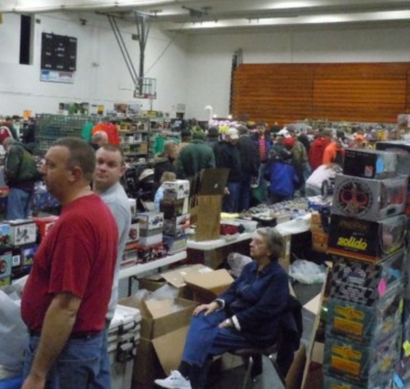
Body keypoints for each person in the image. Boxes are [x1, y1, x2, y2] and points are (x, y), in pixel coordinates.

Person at [20, 137, 118, 389]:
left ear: (74, 174)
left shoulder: (76, 223)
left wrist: (38, 373)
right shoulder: (94, 209)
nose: (42, 170)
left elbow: (66, 306)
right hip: (79, 346)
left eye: (51, 165)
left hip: (65, 354)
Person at [155, 227, 290, 389]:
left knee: (204, 341)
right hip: (234, 314)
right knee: (201, 315)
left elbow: (265, 311)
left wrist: (232, 321)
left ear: (269, 251)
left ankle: (185, 378)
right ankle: (184, 379)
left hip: (255, 330)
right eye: (252, 240)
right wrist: (215, 304)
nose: (251, 244)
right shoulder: (250, 268)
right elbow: (233, 290)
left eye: (257, 242)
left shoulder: (278, 277)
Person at [92, 144, 132, 387]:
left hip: (97, 298)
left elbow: (97, 255)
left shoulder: (113, 204)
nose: (103, 168)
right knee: (98, 368)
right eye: (99, 162)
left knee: (93, 369)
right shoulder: (99, 197)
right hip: (98, 297)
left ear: (122, 170)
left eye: (111, 164)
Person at [3, 138, 40, 220]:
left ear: (7, 145)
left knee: (15, 220)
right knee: (25, 218)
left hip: (18, 187)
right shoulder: (26, 151)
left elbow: (12, 170)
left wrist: (6, 173)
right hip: (29, 186)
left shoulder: (14, 149)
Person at [214, 128, 242, 213]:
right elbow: (221, 167)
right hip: (229, 181)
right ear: (227, 137)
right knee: (228, 207)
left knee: (233, 206)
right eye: (232, 138)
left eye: (235, 138)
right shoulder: (223, 150)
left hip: (235, 180)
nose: (234, 140)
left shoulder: (234, 147)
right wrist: (224, 185)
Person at [264, 138, 298, 204]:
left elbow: (266, 173)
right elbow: (298, 179)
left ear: (284, 144)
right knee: (286, 209)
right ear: (293, 146)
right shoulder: (294, 161)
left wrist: (272, 180)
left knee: (273, 208)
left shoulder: (274, 159)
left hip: (274, 188)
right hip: (288, 190)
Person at [236, 126, 259, 211]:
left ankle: (236, 211)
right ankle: (244, 211)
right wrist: (255, 172)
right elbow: (256, 158)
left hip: (239, 171)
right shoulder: (252, 142)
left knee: (238, 193)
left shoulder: (237, 142)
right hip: (249, 171)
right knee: (246, 193)